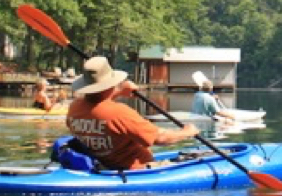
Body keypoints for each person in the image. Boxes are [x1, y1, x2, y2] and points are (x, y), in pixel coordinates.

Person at [66, 56, 199, 171]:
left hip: (104, 166)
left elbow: (96, 106)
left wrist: (118, 92)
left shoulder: (75, 107)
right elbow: (159, 138)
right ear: (110, 84)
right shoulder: (120, 113)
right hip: (136, 170)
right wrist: (187, 132)